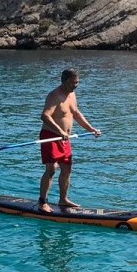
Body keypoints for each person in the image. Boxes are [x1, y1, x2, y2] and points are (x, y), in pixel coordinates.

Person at [39, 68, 100, 212]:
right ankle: (43, 202)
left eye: (77, 82)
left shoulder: (72, 95)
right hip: (51, 136)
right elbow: (45, 116)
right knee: (52, 168)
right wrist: (60, 131)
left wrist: (90, 129)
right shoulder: (54, 96)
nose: (75, 85)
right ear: (64, 81)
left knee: (67, 168)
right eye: (73, 82)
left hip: (65, 139)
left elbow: (76, 113)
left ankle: (63, 199)